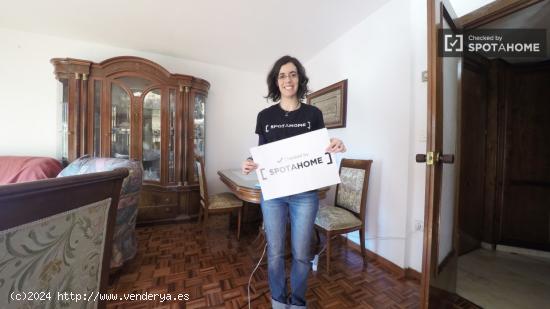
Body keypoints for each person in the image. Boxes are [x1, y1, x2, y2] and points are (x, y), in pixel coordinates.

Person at [241, 55, 346, 308]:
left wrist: (336, 145)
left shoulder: (314, 114)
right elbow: (263, 151)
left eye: (292, 74)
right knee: (275, 253)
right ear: (276, 82)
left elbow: (321, 150)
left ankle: (298, 302)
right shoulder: (265, 116)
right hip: (274, 194)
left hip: (305, 195)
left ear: (300, 79)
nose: (288, 79)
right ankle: (278, 300)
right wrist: (249, 161)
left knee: (301, 254)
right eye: (282, 75)